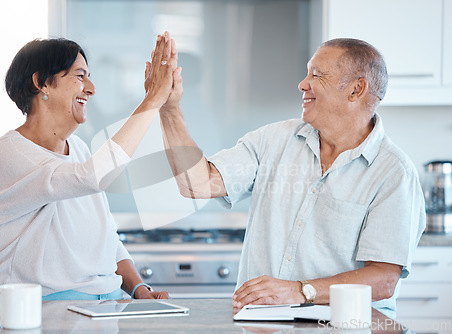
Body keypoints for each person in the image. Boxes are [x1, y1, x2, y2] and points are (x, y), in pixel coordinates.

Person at [157, 38, 426, 318]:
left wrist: (300, 291)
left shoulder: (394, 172)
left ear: (356, 90)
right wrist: (169, 110)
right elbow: (197, 183)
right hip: (263, 323)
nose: (302, 84)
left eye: (316, 75)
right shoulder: (273, 140)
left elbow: (383, 279)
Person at [0, 32, 181, 301]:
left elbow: (105, 235)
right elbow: (93, 176)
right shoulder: (9, 154)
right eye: (79, 76)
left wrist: (138, 289)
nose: (92, 88)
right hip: (30, 307)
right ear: (41, 83)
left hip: (101, 306)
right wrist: (153, 100)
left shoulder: (80, 150)